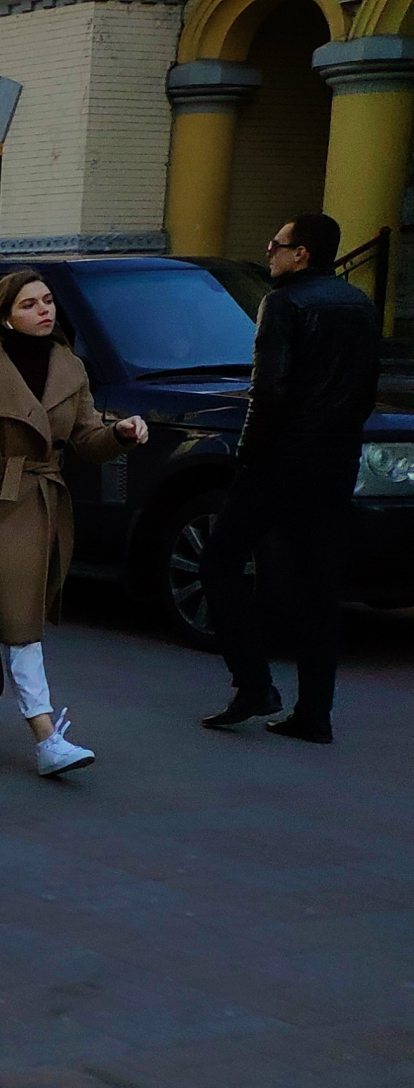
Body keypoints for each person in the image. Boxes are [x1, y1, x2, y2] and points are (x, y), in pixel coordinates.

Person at [0, 269, 148, 776]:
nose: (44, 310)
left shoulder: (70, 367)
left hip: (43, 504)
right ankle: (46, 738)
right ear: (6, 314)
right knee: (17, 623)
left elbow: (88, 440)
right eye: (29, 304)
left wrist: (120, 433)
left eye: (48, 301)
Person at [199, 212, 378, 744]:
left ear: (301, 254)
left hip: (282, 459)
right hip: (336, 460)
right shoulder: (361, 304)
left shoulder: (282, 303)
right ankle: (315, 714)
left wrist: (249, 458)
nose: (269, 251)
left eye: (276, 244)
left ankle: (254, 683)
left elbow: (269, 390)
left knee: (219, 560)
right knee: (319, 585)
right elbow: (364, 389)